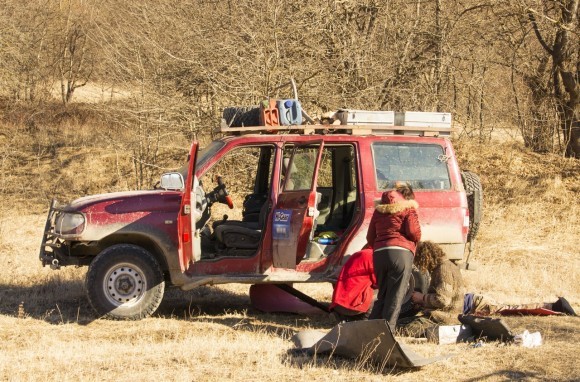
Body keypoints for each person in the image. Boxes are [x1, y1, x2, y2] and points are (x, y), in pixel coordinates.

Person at [367, 182, 421, 329]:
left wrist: (381, 246)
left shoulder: (379, 211)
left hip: (379, 255)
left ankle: (369, 330)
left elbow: (370, 237)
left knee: (382, 296)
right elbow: (413, 232)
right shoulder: (408, 208)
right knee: (396, 297)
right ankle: (387, 332)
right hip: (400, 253)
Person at [397, 241, 466, 336]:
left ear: (426, 258)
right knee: (399, 323)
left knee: (401, 329)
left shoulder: (443, 270)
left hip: (445, 320)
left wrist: (422, 297)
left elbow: (443, 300)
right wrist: (423, 304)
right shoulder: (448, 266)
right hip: (443, 317)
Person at [329, 248, 376, 322]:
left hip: (338, 305)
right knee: (384, 289)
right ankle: (366, 319)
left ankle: (341, 316)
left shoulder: (360, 254)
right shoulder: (374, 256)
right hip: (355, 307)